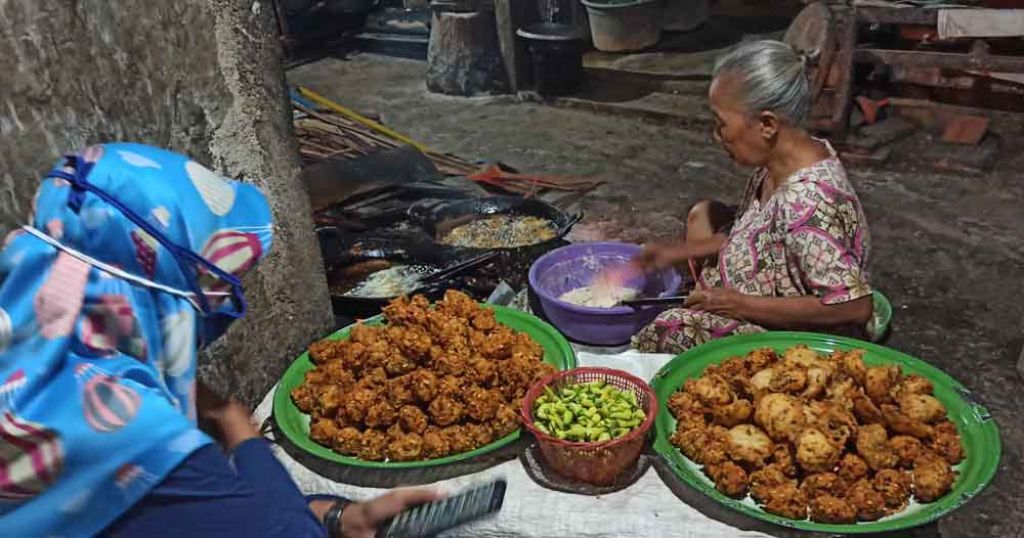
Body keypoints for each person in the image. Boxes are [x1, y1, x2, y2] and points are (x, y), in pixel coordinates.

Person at [0, 143, 438, 537]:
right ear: (156, 296)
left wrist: (334, 517)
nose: (224, 304)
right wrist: (237, 428)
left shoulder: (27, 366)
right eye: (212, 286)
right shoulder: (127, 433)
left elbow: (193, 519)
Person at [633, 40, 874, 354]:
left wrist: (741, 304)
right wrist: (675, 253)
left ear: (767, 124)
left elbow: (855, 307)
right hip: (762, 284)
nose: (717, 136)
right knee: (704, 213)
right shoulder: (787, 156)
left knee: (672, 326)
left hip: (802, 339)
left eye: (722, 125)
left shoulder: (808, 201)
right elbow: (754, 232)